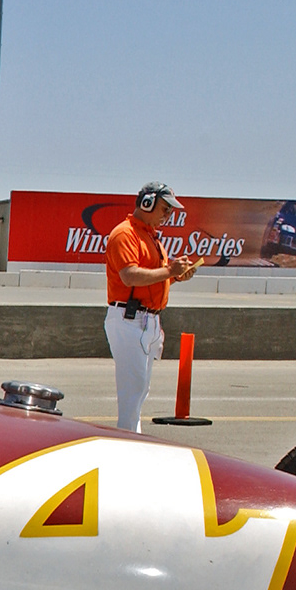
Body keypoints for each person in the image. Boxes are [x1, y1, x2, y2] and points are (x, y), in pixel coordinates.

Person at [105, 181, 201, 432]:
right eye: (164, 209)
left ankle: (131, 437)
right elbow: (130, 276)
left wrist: (176, 276)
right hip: (129, 319)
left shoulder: (149, 237)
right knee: (133, 389)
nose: (167, 216)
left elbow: (152, 278)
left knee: (139, 388)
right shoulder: (126, 234)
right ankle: (128, 441)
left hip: (145, 320)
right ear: (146, 203)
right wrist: (170, 270)